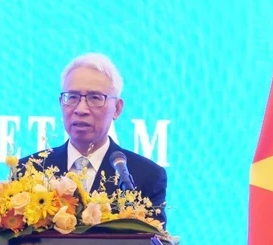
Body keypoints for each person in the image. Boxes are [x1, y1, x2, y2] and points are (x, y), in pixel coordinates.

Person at [18, 52, 168, 226]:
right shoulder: (28, 170)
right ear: (61, 103)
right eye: (72, 97)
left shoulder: (146, 176)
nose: (81, 109)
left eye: (95, 98)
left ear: (117, 109)